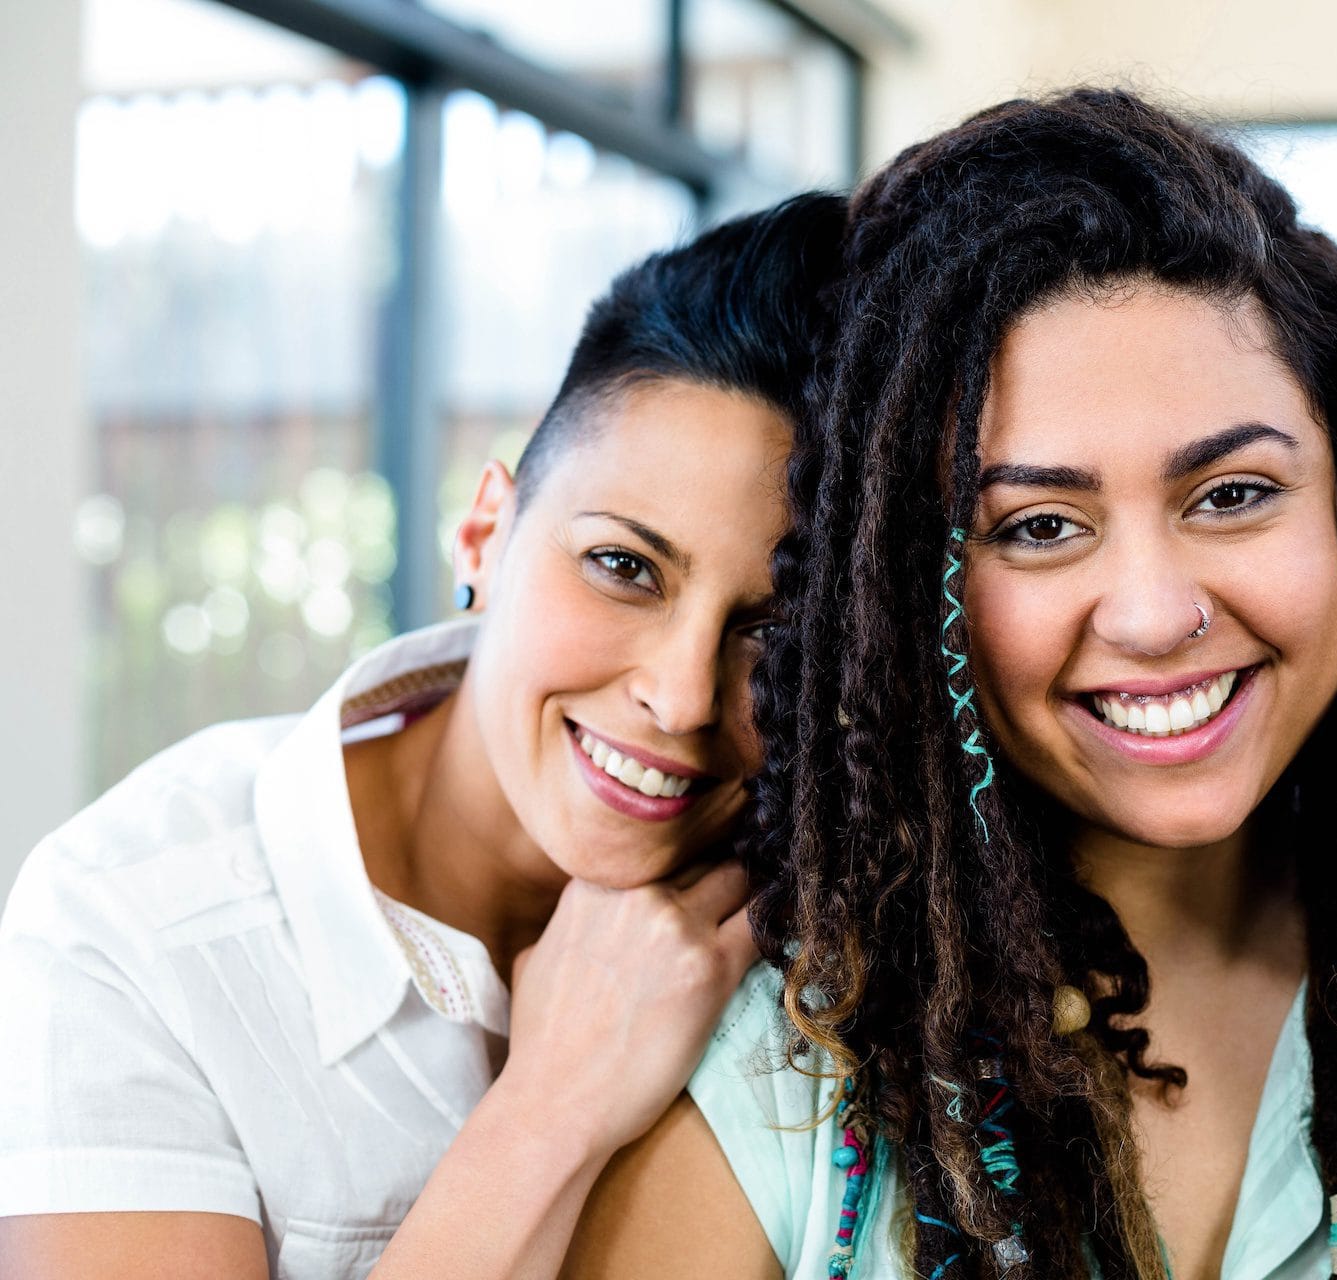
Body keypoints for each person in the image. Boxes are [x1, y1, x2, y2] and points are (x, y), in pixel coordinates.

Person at [565, 92, 1337, 1279]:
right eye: (1041, 524)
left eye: (1234, 494)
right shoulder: (767, 1048)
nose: (1158, 615)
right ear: (908, 588)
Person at [0, 192, 845, 1280]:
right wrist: (554, 1103)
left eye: (770, 632)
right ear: (486, 531)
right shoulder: (128, 927)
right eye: (623, 567)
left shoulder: (832, 938)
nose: (682, 695)